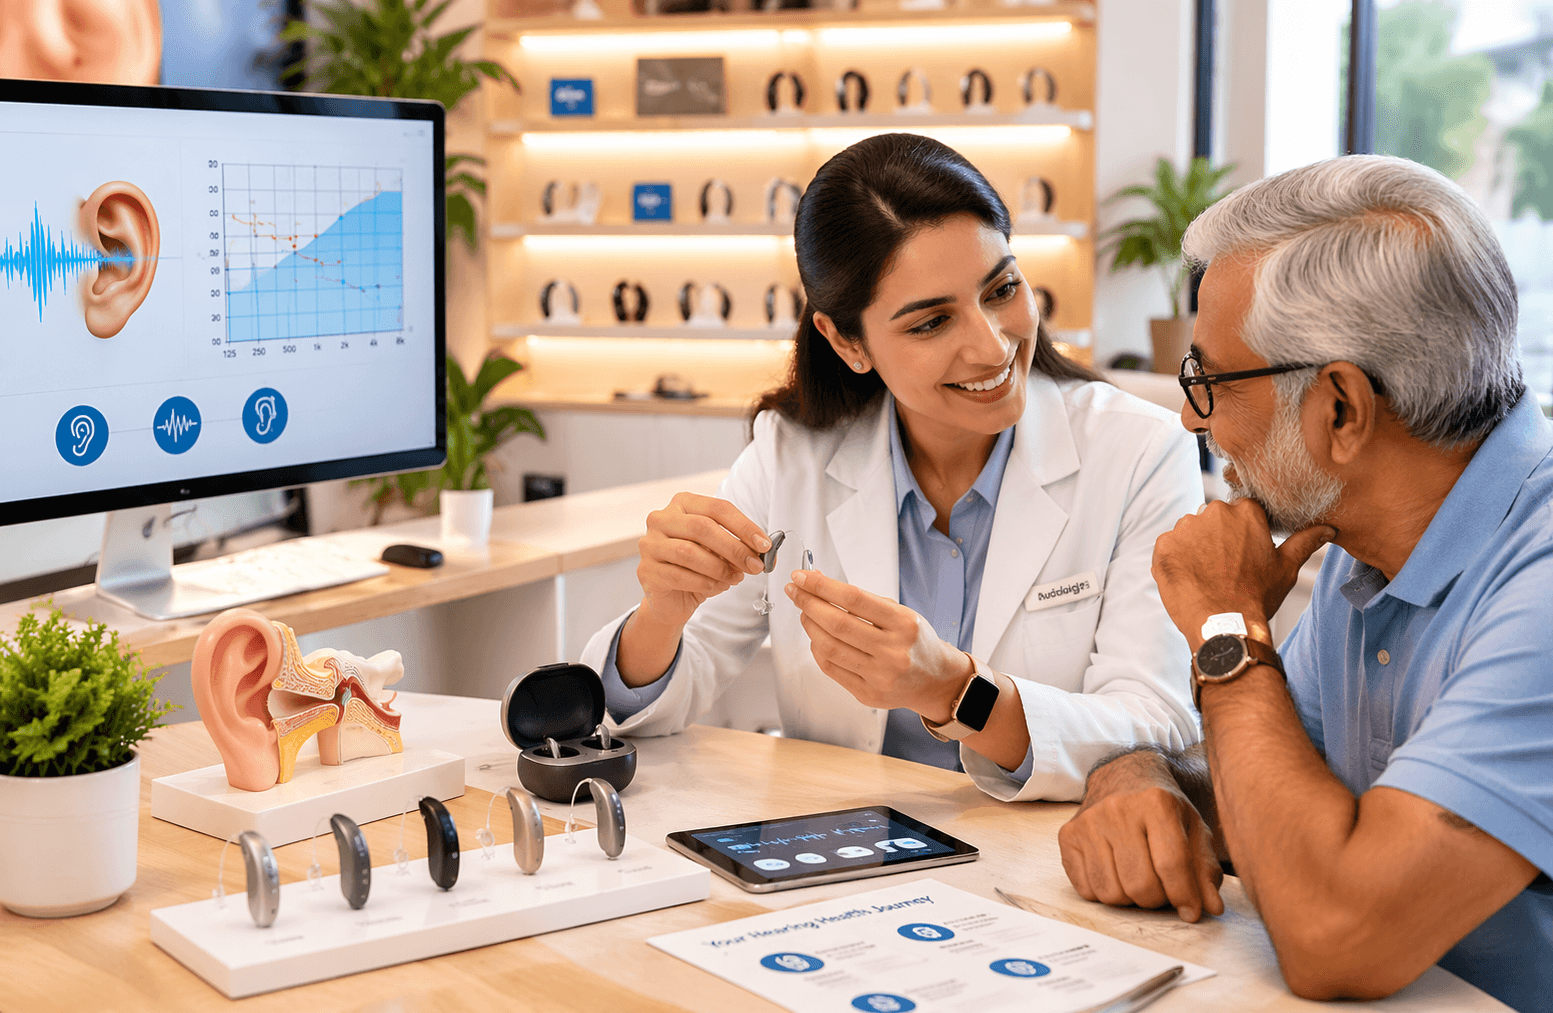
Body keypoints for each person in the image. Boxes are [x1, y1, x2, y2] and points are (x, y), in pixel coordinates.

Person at [1056, 155, 1552, 1011]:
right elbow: (1285, 789)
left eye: (1209, 381)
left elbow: (1336, 937)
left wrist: (1227, 625)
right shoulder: (1366, 536)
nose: (1191, 416)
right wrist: (1138, 775)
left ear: (1340, 409)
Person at [580, 133, 1204, 801]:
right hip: (844, 842)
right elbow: (645, 707)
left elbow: (1156, 725)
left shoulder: (1140, 451)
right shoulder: (791, 452)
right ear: (846, 341)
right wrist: (663, 610)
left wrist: (955, 692)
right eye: (931, 323)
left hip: (1045, 846)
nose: (990, 346)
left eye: (1001, 289)